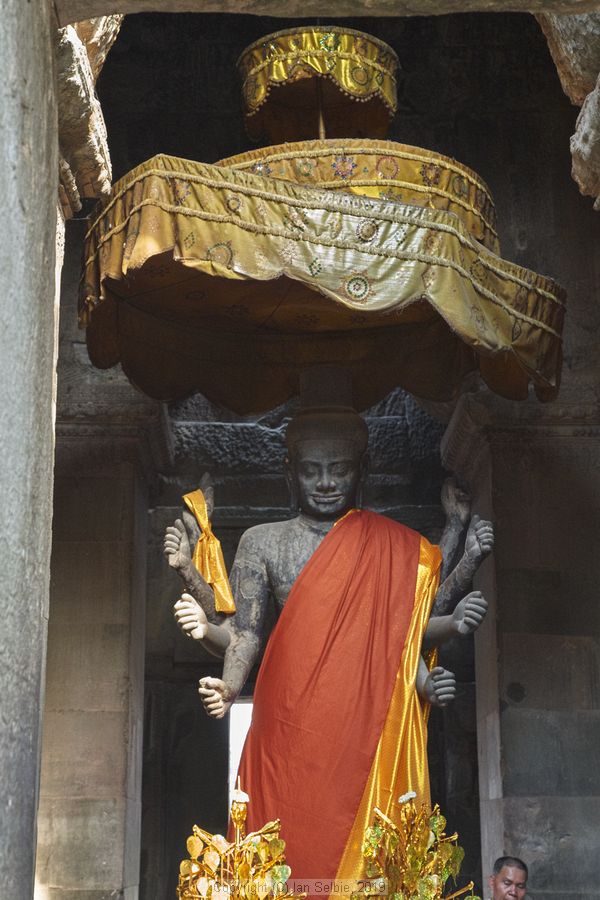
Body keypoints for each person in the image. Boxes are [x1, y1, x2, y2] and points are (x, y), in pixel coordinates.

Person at [164, 399, 493, 885]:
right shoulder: (264, 541)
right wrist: (229, 683)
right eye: (311, 470)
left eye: (339, 470)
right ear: (289, 471)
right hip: (287, 716)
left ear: (363, 470)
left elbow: (413, 618)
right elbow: (246, 632)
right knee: (286, 839)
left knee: (365, 835)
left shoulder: (394, 544)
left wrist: (464, 552)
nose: (325, 482)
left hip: (365, 710)